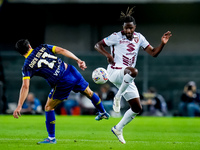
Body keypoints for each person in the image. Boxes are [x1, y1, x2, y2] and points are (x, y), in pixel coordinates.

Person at [94, 7, 172, 144]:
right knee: (134, 71)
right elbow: (98, 45)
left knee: (137, 108)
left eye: (130, 28)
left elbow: (153, 53)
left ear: (134, 27)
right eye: (125, 28)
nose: (128, 31)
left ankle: (118, 128)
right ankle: (117, 97)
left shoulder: (139, 37)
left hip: (126, 77)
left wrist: (162, 44)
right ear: (123, 28)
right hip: (115, 72)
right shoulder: (116, 36)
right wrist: (107, 55)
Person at [13, 39, 110, 144]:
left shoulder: (27, 66)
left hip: (62, 81)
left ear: (20, 53)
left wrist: (19, 105)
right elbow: (62, 50)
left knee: (49, 107)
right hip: (71, 70)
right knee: (90, 93)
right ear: (29, 45)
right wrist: (78, 60)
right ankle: (103, 112)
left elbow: (25, 86)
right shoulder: (42, 47)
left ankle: (51, 138)